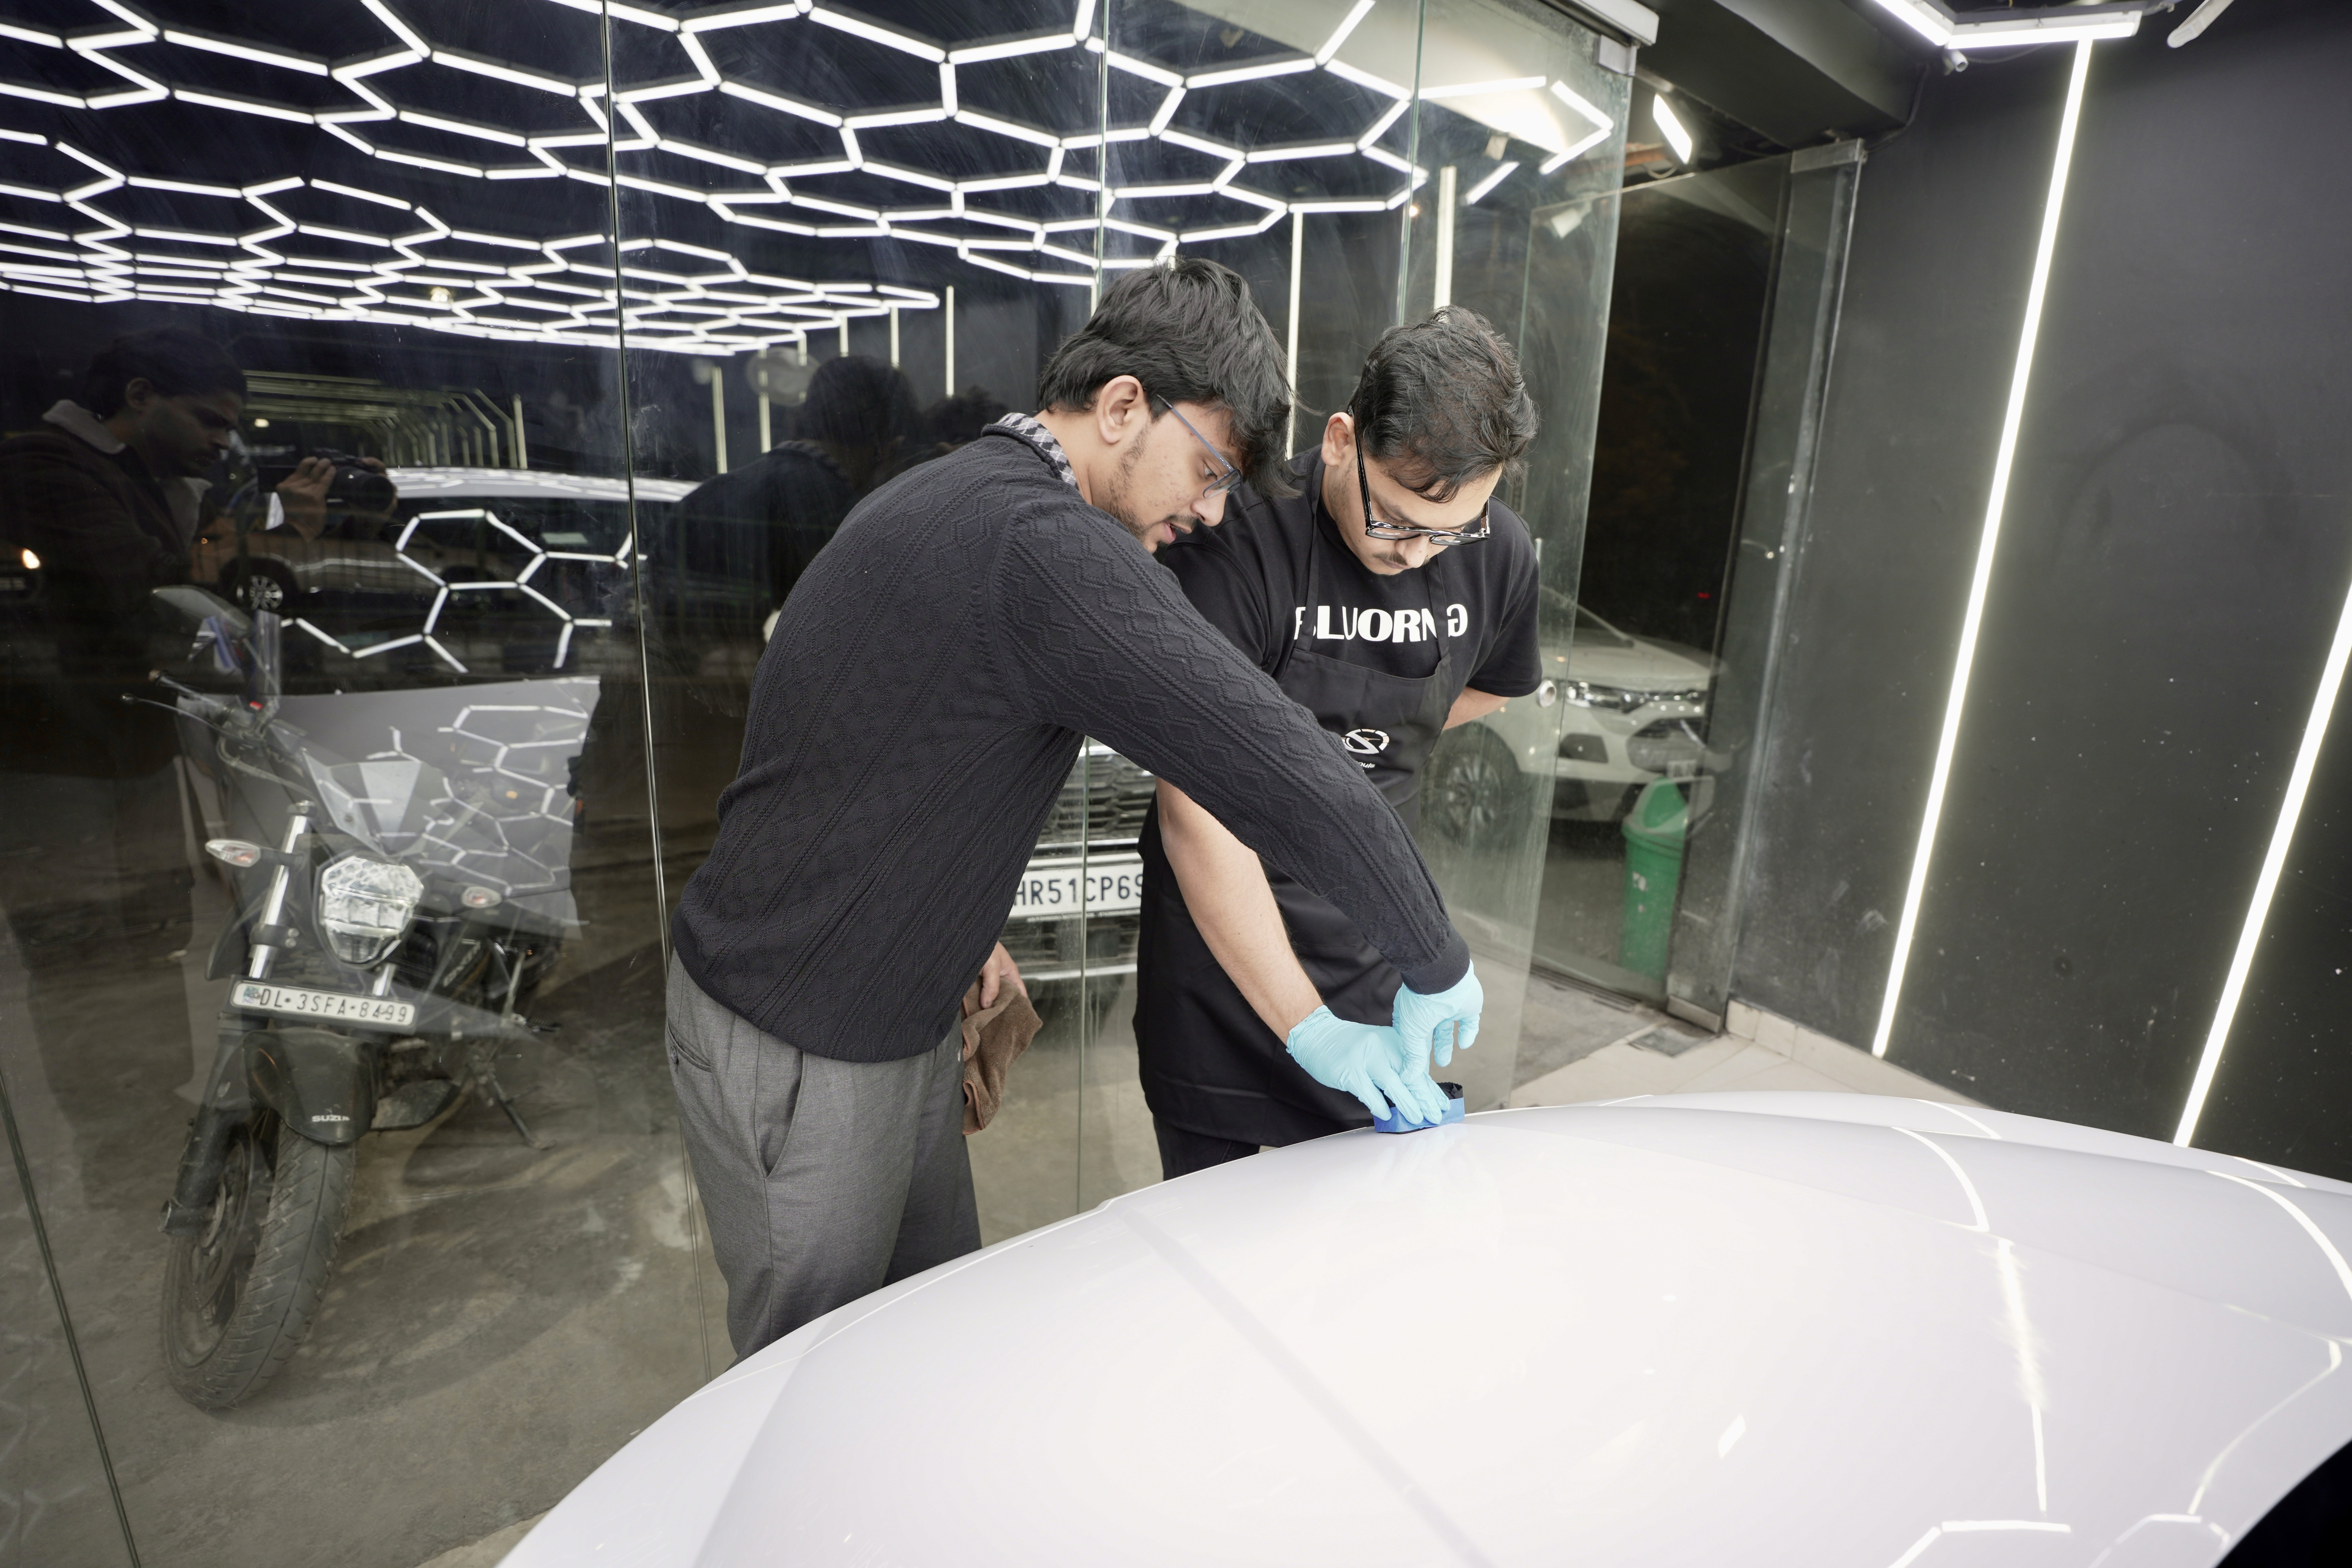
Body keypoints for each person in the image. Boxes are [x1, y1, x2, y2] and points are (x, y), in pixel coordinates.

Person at [666, 259, 1485, 1358]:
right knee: (809, 1379)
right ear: (1122, 406)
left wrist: (956, 919)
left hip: (890, 1019)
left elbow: (867, 742)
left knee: (917, 1345)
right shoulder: (1043, 546)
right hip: (802, 1035)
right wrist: (1432, 953)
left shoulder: (953, 496)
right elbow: (1276, 762)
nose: (1207, 512)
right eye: (1209, 472)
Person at [1136, 307, 1545, 1179]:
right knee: (1215, 1228)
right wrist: (1309, 1029)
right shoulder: (1235, 542)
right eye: (1395, 520)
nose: (1419, 555)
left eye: (1450, 531)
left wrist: (1364, 752)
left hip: (1371, 943)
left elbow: (1494, 687)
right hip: (1218, 959)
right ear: (1340, 441)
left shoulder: (1499, 555)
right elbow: (1196, 813)